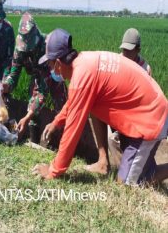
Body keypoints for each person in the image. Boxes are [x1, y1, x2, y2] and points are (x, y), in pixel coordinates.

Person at [32, 29, 168, 185]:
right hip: (143, 113)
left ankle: (141, 173)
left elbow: (72, 131)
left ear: (57, 63)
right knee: (94, 105)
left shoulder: (82, 77)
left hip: (151, 118)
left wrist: (53, 170)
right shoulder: (85, 63)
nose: (50, 70)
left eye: (49, 64)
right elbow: (75, 101)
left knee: (127, 184)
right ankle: (105, 162)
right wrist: (57, 121)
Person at [88, 28, 152, 173]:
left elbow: (143, 102)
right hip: (116, 109)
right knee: (95, 107)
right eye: (124, 50)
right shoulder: (116, 61)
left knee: (117, 140)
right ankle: (104, 162)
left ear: (138, 50)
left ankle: (125, 171)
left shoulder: (145, 68)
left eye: (129, 50)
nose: (126, 54)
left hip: (133, 115)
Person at [2, 12, 67, 143]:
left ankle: (61, 142)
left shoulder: (47, 46)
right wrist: (6, 85)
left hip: (54, 77)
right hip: (37, 77)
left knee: (63, 110)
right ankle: (34, 140)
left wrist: (27, 116)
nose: (27, 50)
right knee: (32, 110)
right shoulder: (20, 49)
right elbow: (14, 73)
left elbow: (42, 89)